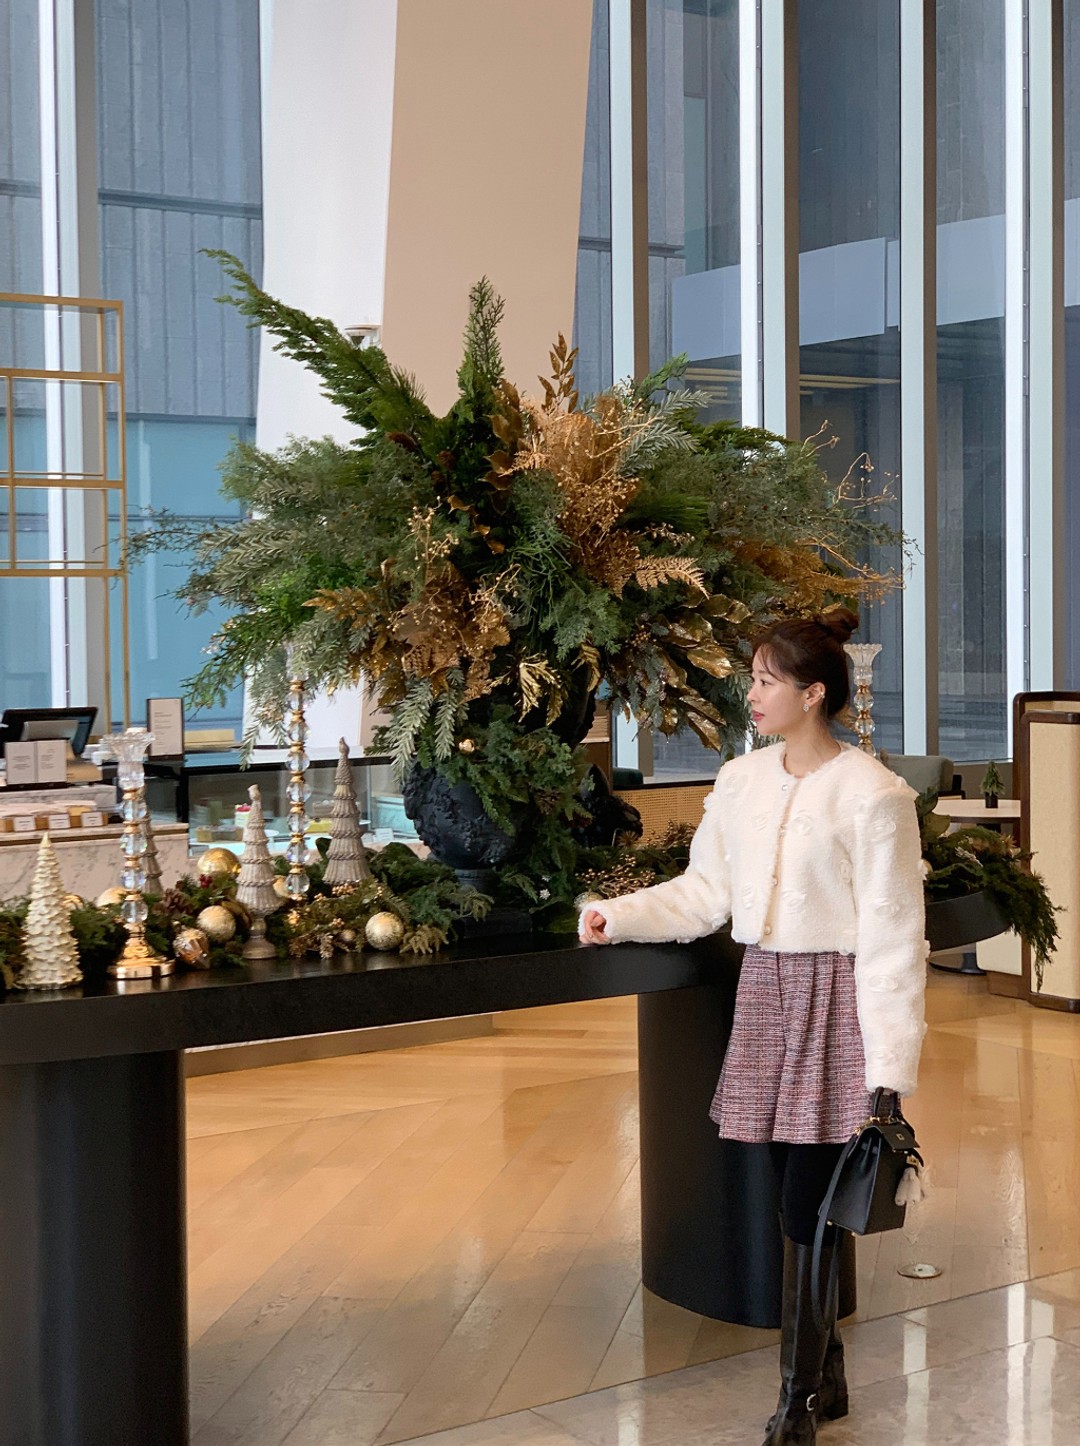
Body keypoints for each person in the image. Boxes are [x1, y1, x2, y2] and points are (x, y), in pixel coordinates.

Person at [579, 609, 927, 1446]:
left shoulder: (874, 795)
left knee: (810, 1202)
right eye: (753, 677)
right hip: (766, 993)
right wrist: (617, 917)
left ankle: (797, 1397)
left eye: (768, 680)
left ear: (814, 694)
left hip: (836, 1004)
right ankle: (827, 1374)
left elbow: (892, 939)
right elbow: (706, 893)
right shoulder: (740, 780)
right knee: (788, 1199)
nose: (753, 692)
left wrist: (888, 1071)